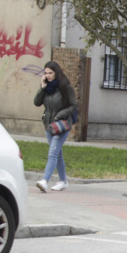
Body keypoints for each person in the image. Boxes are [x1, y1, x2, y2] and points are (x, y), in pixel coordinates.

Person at [34, 60, 77, 193]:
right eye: (46, 73)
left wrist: (59, 116)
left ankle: (44, 181)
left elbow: (73, 105)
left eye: (50, 73)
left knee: (53, 153)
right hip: (49, 126)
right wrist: (42, 87)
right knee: (57, 154)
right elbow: (37, 102)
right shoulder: (47, 87)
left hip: (61, 125)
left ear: (56, 73)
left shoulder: (65, 87)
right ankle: (63, 181)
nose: (48, 75)